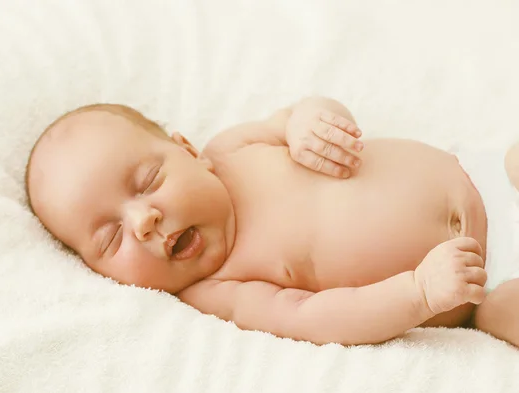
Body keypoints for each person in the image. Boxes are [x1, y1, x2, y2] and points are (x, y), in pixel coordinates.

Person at [25, 97, 519, 346]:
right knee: (506, 315)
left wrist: (312, 123)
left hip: (482, 172)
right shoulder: (217, 291)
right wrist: (419, 293)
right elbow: (315, 320)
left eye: (149, 180)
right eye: (112, 238)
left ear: (188, 151)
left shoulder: (234, 147)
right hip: (483, 285)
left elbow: (306, 112)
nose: (143, 221)